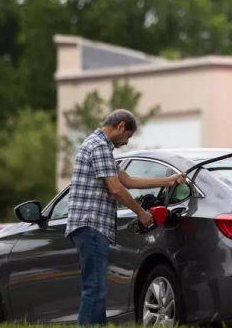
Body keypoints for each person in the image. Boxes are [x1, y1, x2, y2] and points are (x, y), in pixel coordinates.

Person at [65, 109, 186, 326]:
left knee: (96, 287)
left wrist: (168, 181)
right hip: (91, 224)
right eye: (128, 136)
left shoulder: (97, 146)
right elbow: (116, 189)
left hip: (89, 226)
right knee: (94, 288)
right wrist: (141, 213)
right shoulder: (99, 147)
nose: (127, 142)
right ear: (120, 126)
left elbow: (127, 180)